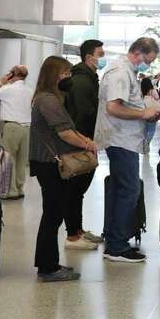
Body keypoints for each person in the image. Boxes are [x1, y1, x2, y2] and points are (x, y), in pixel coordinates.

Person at [29, 56, 96, 282]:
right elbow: (64, 132)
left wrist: (85, 138)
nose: (68, 78)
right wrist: (88, 144)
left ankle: (49, 264)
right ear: (52, 75)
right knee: (52, 214)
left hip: (49, 161)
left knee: (54, 213)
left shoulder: (53, 98)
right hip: (50, 163)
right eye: (64, 74)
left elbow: (69, 128)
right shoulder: (48, 100)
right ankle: (47, 268)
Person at [95, 36, 160, 263]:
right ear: (138, 53)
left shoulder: (126, 71)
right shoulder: (120, 73)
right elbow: (114, 107)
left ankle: (115, 240)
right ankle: (117, 246)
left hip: (124, 139)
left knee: (122, 189)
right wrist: (143, 113)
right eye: (148, 60)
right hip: (120, 139)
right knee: (129, 190)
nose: (148, 65)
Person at [63, 38, 104, 250]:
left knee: (79, 190)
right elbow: (81, 115)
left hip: (87, 141)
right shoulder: (81, 81)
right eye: (100, 54)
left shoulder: (89, 78)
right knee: (74, 189)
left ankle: (78, 230)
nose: (103, 58)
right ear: (89, 57)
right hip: (81, 143)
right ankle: (72, 235)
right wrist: (85, 142)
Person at [0, 64, 32, 199]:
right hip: (26, 128)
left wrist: (1, 82)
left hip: (11, 127)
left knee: (9, 159)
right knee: (22, 160)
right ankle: (19, 188)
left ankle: (11, 191)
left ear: (12, 74)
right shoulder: (30, 90)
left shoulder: (7, 89)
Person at [140, 74, 160, 154]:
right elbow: (158, 100)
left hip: (143, 112)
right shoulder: (153, 91)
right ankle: (148, 142)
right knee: (152, 129)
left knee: (144, 129)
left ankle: (144, 142)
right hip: (152, 112)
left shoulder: (140, 91)